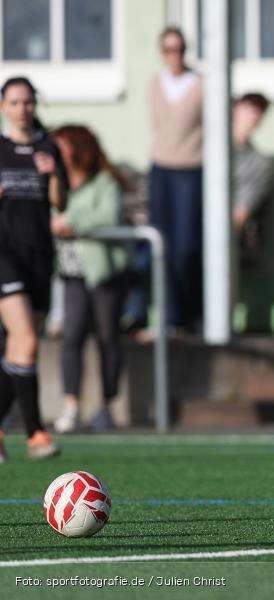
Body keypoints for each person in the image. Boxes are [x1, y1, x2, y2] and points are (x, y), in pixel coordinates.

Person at [0, 76, 68, 462]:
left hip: (38, 256)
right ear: (3, 107)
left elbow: (59, 203)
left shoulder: (48, 146)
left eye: (28, 102)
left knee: (18, 350)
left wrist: (52, 174)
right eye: (14, 102)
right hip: (3, 255)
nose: (23, 109)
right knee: (24, 341)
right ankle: (36, 433)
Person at [50, 125, 131, 434]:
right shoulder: (56, 182)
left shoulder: (104, 183)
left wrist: (71, 222)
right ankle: (71, 405)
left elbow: (109, 216)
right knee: (71, 338)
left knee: (108, 338)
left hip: (102, 272)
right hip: (70, 273)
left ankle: (106, 406)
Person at [149, 26, 204, 331]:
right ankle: (169, 316)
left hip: (191, 170)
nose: (175, 55)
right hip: (161, 170)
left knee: (187, 246)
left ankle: (192, 311)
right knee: (162, 244)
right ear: (162, 52)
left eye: (180, 49)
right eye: (169, 49)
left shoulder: (201, 84)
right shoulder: (155, 84)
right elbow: (158, 126)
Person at [232, 92, 274, 264]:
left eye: (260, 110)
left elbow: (240, 214)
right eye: (249, 107)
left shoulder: (259, 163)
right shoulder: (201, 148)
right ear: (235, 108)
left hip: (226, 241)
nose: (254, 114)